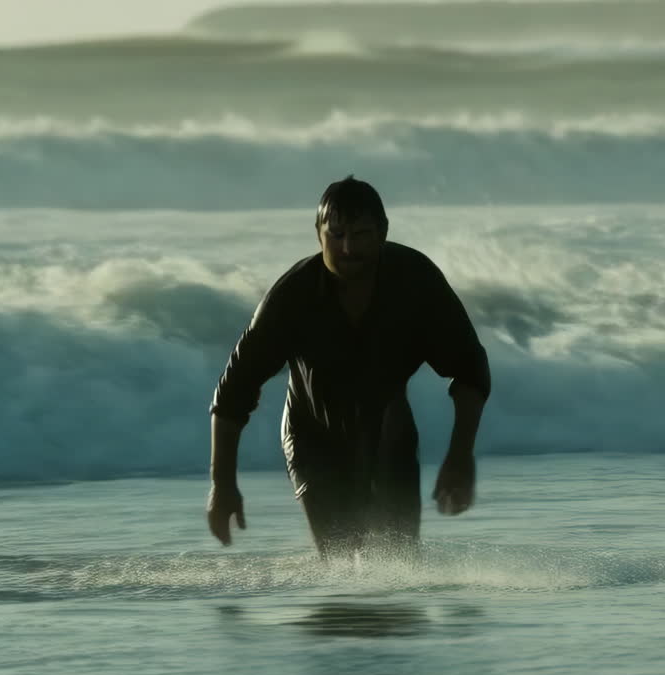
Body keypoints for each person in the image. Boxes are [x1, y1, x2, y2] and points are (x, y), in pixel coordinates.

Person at [207, 175, 491, 557]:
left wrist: (460, 456)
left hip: (390, 435)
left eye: (360, 235)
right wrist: (223, 485)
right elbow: (232, 393)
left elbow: (470, 368)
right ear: (318, 234)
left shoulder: (415, 282)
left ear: (383, 232)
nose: (347, 248)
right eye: (336, 235)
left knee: (400, 566)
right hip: (312, 438)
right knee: (340, 567)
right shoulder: (292, 297)